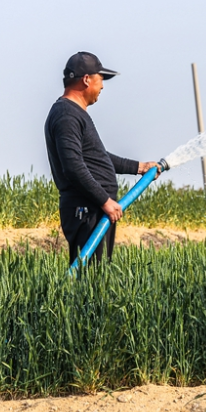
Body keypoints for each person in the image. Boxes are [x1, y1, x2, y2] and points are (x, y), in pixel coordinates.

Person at [44, 51, 159, 265]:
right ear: (86, 79)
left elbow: (97, 158)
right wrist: (105, 201)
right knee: (90, 279)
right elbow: (73, 167)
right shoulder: (67, 115)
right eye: (101, 79)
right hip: (86, 210)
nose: (103, 86)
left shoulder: (74, 114)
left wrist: (139, 167)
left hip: (94, 209)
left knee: (98, 277)